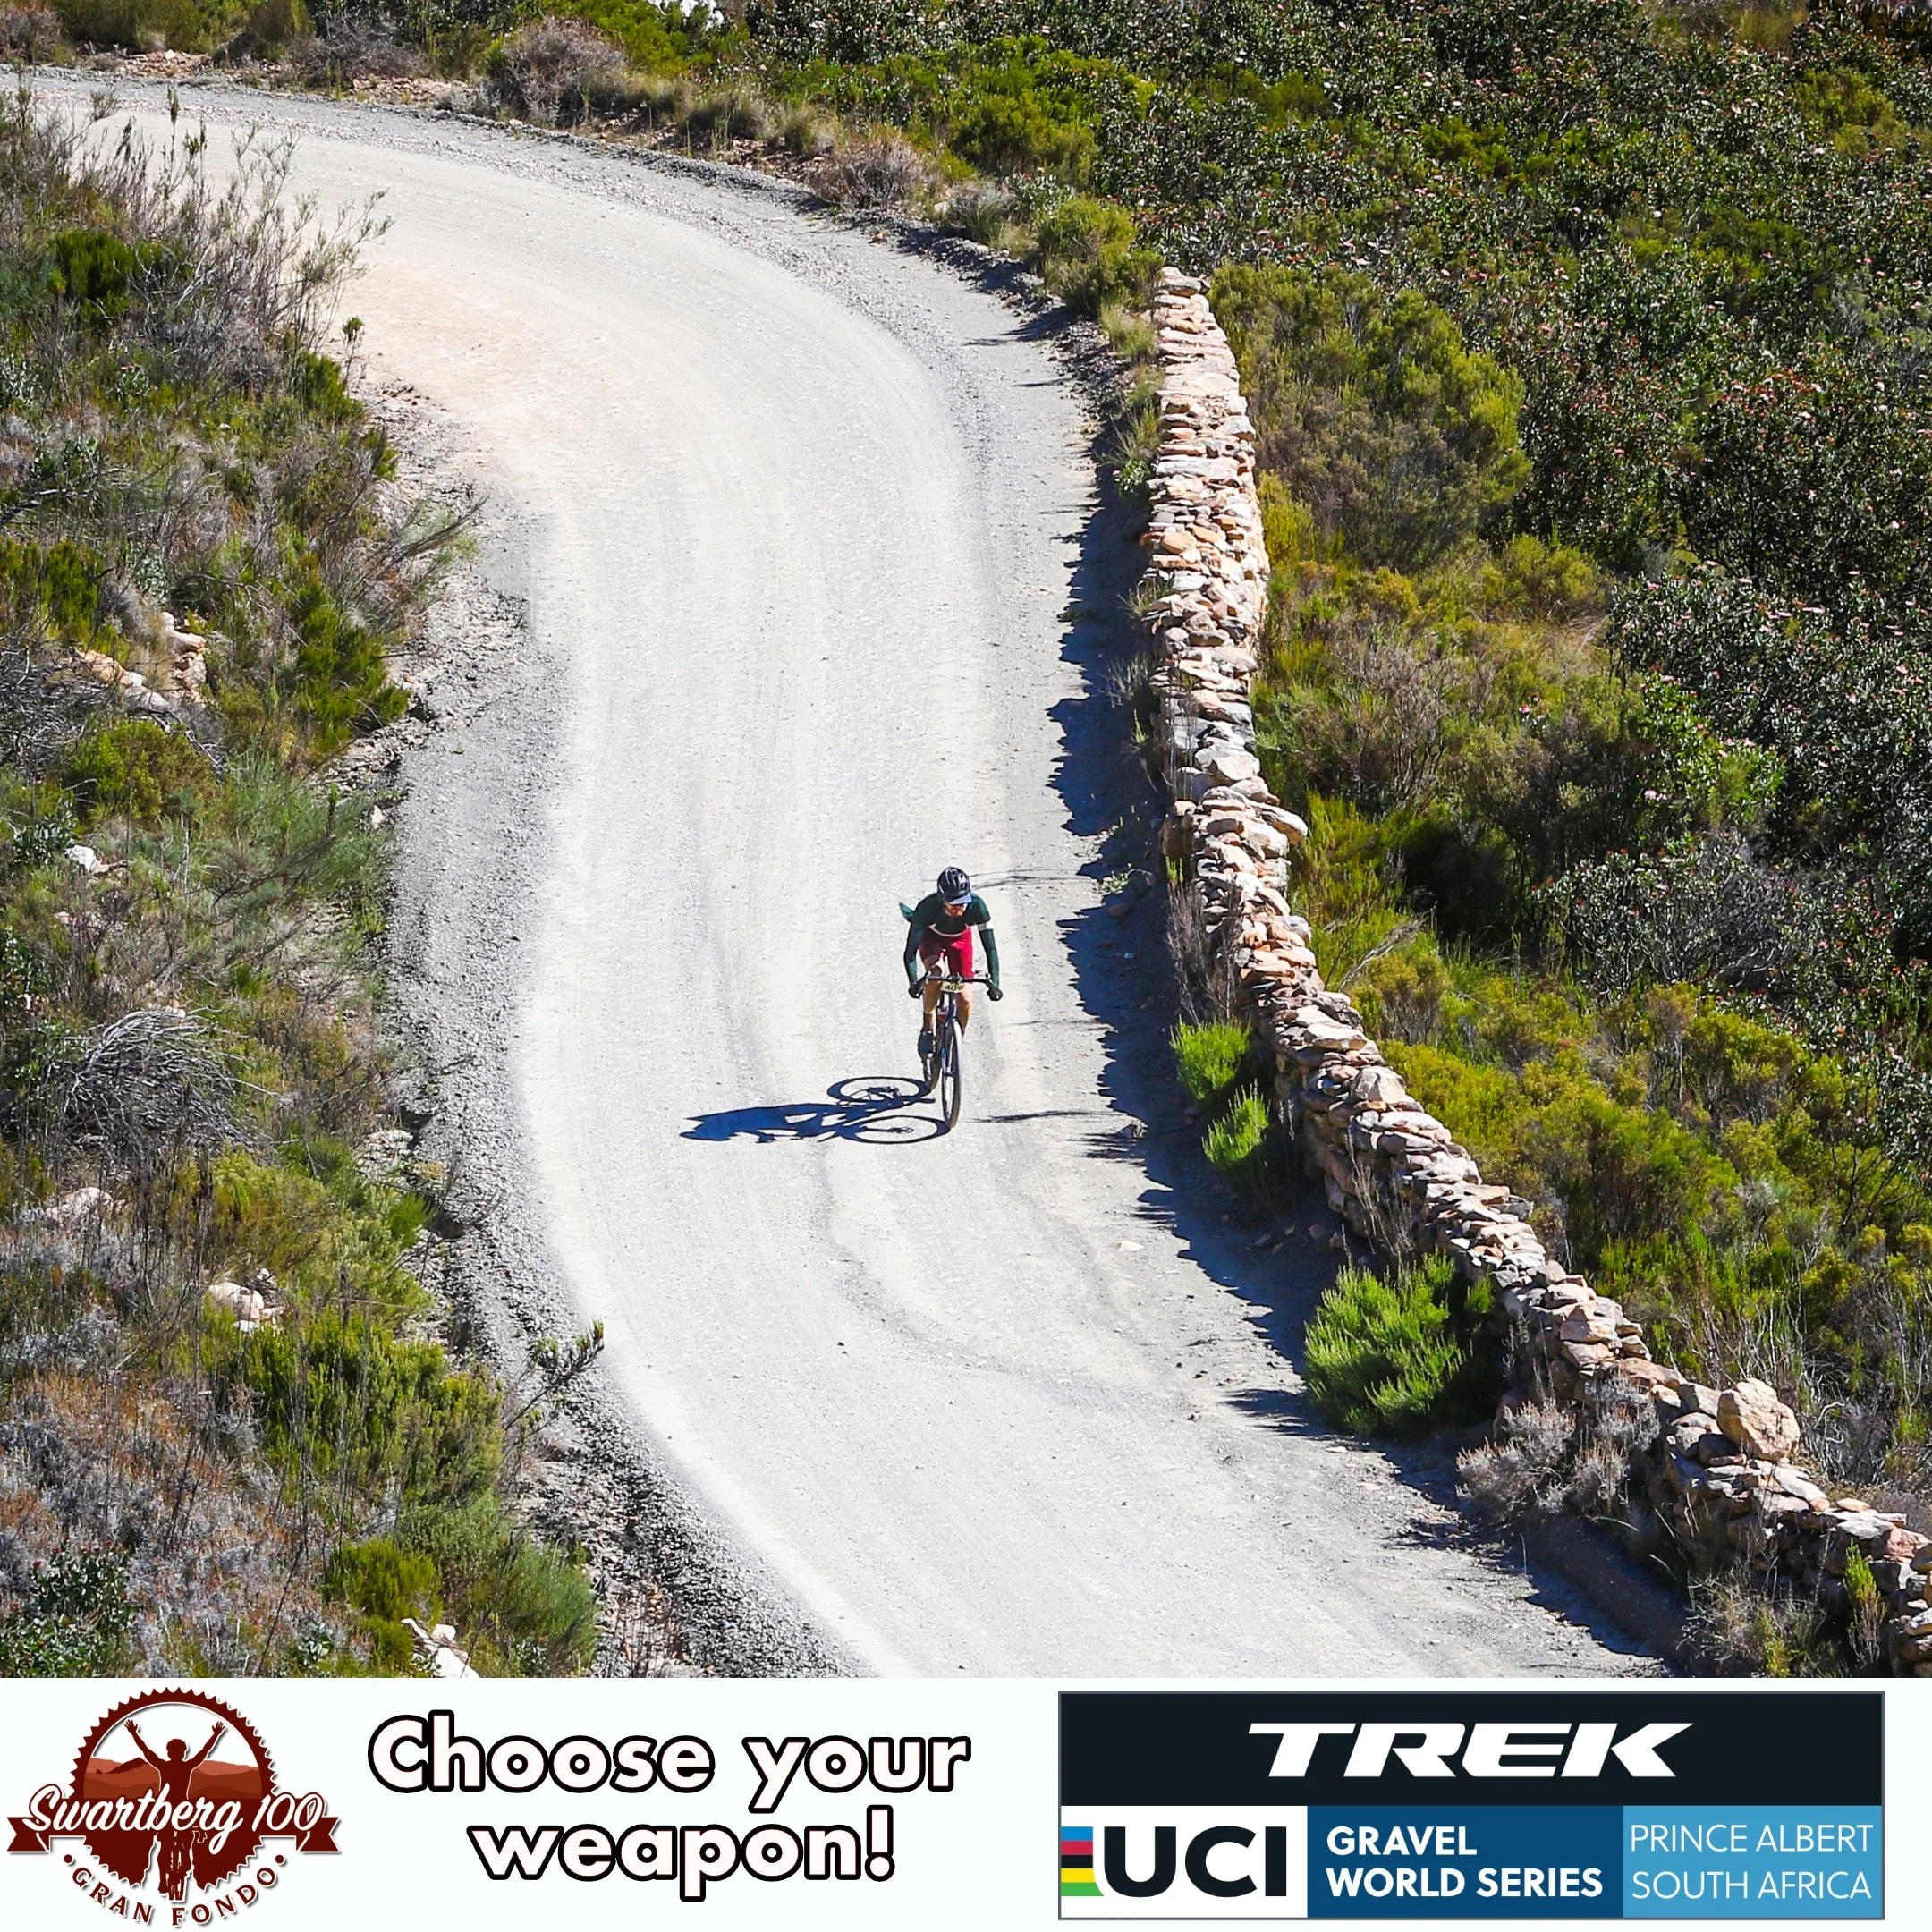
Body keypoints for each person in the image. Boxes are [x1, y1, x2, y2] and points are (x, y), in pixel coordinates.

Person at [903, 866, 1002, 1057]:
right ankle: (927, 1028)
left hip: (961, 940)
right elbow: (910, 953)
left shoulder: (977, 907)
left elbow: (991, 948)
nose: (961, 907)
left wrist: (995, 984)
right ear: (942, 900)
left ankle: (956, 1042)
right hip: (933, 938)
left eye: (963, 902)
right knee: (936, 974)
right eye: (954, 903)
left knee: (964, 998)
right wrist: (914, 982)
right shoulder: (927, 908)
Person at [127, 1719, 226, 1902]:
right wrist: (215, 1735)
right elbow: (204, 1752)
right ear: (183, 1753)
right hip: (182, 1809)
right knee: (186, 1837)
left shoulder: (164, 1766)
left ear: (169, 1753)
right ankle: (185, 1861)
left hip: (166, 1810)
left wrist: (134, 1733)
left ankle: (163, 1880)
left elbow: (146, 1752)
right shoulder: (186, 1766)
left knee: (164, 1846)